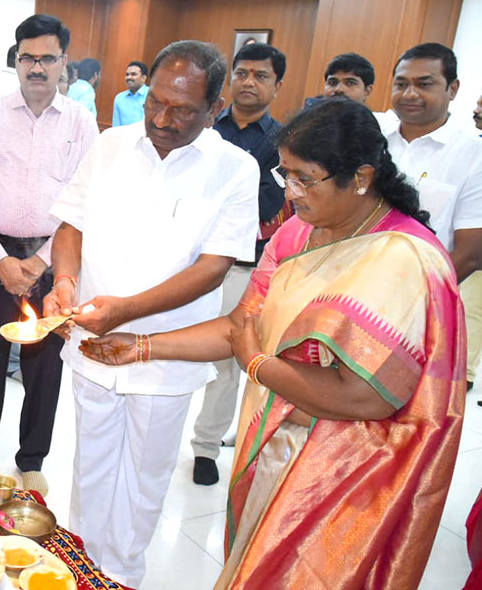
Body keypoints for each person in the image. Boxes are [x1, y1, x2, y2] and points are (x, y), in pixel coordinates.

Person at [80, 99, 465, 590]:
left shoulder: (404, 258)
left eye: (306, 179)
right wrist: (140, 347)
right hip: (279, 444)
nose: (292, 192)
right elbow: (240, 326)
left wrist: (259, 366)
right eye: (287, 175)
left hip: (350, 471)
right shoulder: (297, 234)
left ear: (361, 177)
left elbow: (367, 396)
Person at [45, 40, 259, 588]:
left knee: (144, 477)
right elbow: (71, 225)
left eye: (183, 110)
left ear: (215, 108)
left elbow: (213, 268)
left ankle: (121, 576)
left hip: (166, 351)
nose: (163, 119)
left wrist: (126, 312)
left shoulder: (236, 169)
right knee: (89, 463)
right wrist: (65, 280)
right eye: (155, 103)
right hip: (91, 337)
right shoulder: (111, 144)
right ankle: (78, 569)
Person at [0, 14, 98, 495]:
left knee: (45, 362)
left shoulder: (80, 122)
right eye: (28, 57)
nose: (37, 67)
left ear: (63, 64)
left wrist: (40, 263)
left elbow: (84, 199)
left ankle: (32, 457)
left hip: (53, 259)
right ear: (16, 60)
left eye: (48, 58)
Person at [191, 42, 287, 486]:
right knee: (167, 342)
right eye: (242, 73)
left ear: (276, 85)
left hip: (242, 268)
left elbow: (267, 204)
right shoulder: (205, 125)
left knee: (228, 359)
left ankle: (206, 447)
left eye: (261, 75)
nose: (249, 82)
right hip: (189, 260)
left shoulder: (283, 142)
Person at [385, 43, 482, 393]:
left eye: (424, 84)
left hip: (423, 311)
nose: (409, 94)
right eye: (401, 83)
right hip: (351, 297)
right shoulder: (371, 139)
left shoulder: (473, 157)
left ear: (452, 89)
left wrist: (412, 302)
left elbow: (471, 252)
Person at [112, 60, 149, 127]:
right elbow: (116, 126)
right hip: (124, 137)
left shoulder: (151, 96)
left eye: (133, 74)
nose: (129, 77)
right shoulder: (119, 98)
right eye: (127, 74)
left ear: (144, 78)